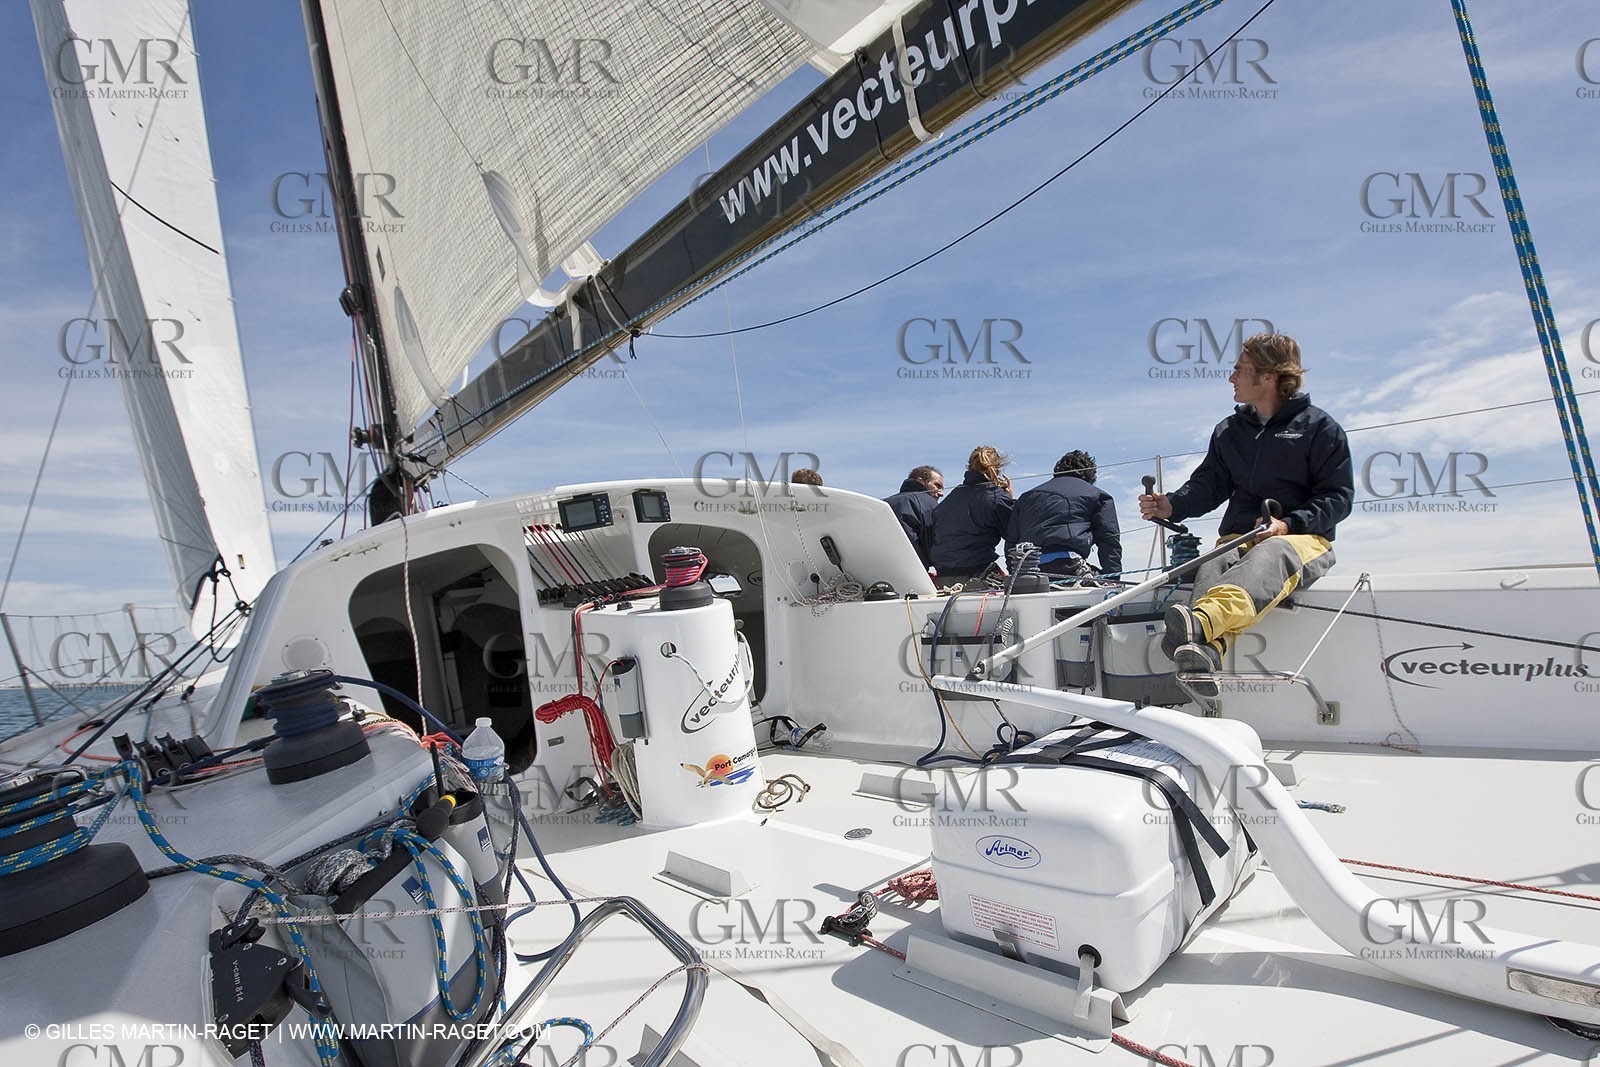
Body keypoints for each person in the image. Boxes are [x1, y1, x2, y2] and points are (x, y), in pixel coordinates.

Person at [1139, 332, 1353, 697]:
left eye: (1240, 370)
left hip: (1300, 541)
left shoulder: (1320, 429)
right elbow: (1208, 485)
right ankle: (1204, 654)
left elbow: (1339, 497)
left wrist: (1288, 524)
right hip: (1238, 540)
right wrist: (1172, 504)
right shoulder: (1229, 432)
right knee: (1214, 561)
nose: (1231, 378)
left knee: (1271, 553)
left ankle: (1200, 625)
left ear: (1268, 377)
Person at [1008, 450, 1121, 579]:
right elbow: (1109, 539)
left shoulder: (1025, 498)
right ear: (1090, 476)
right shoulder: (1098, 495)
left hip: (1028, 571)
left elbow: (1011, 542)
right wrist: (1114, 578)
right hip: (1069, 567)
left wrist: (1015, 576)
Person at [931, 446, 1015, 586]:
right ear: (998, 469)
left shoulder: (948, 501)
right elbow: (1013, 533)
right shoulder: (996, 498)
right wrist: (1010, 500)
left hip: (943, 576)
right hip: (978, 575)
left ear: (969, 467)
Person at [884, 465, 944, 569]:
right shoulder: (928, 503)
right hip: (912, 571)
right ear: (920, 481)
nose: (941, 493)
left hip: (880, 567)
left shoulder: (885, 503)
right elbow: (935, 547)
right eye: (937, 485)